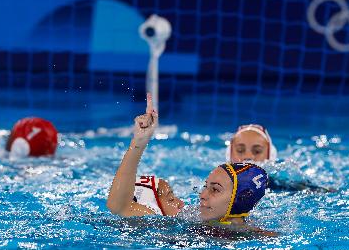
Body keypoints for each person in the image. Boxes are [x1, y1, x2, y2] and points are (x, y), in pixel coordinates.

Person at [107, 94, 269, 226]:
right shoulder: (174, 224)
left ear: (239, 199)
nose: (202, 195)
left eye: (214, 189)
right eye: (206, 187)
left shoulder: (258, 236)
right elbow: (120, 205)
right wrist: (138, 143)